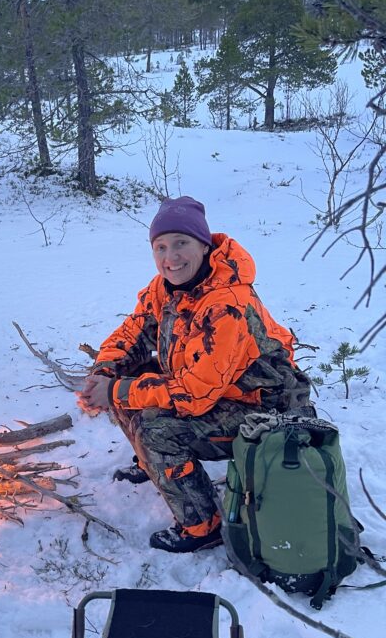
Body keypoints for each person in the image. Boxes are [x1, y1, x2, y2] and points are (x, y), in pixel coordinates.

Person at [77, 195, 312, 554]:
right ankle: (156, 465)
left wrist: (115, 392)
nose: (170, 258)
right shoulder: (165, 287)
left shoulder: (226, 304)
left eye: (181, 244)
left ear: (204, 246)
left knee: (154, 426)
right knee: (129, 378)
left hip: (267, 410)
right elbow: (133, 331)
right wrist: (104, 372)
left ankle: (202, 526)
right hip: (219, 392)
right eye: (161, 247)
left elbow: (194, 397)